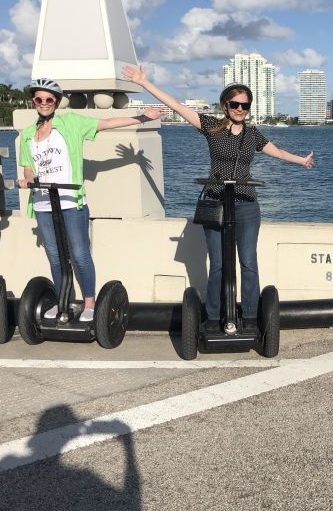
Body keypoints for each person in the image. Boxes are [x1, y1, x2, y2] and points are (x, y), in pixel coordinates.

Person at [122, 65, 313, 326]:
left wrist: (301, 161)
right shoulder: (212, 127)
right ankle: (213, 316)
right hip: (215, 202)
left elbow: (277, 152)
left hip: (245, 203)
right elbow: (177, 107)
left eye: (244, 106)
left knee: (248, 263)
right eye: (234, 104)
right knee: (219, 265)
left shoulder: (253, 134)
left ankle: (249, 316)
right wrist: (145, 83)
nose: (239, 110)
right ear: (225, 105)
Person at [17, 78, 162, 322]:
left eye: (49, 99)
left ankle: (89, 302)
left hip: (71, 200)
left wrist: (142, 118)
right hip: (43, 202)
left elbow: (106, 123)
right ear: (34, 102)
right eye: (39, 99)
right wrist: (28, 179)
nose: (44, 103)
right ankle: (63, 300)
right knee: (54, 254)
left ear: (56, 101)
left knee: (79, 254)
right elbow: (28, 167)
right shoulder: (29, 134)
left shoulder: (71, 122)